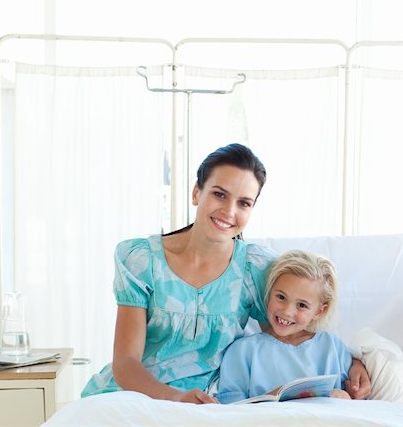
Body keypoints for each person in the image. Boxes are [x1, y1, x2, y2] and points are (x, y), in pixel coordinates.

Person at [81, 143, 370, 404]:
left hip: (213, 403)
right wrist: (175, 398)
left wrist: (353, 364)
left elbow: (292, 330)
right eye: (219, 194)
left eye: (244, 203)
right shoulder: (141, 260)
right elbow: (126, 362)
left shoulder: (255, 268)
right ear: (197, 193)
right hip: (135, 394)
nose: (229, 211)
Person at [217, 250, 353, 404]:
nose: (287, 311)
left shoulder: (332, 346)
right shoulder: (243, 351)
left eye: (301, 305)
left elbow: (356, 397)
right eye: (281, 297)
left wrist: (345, 396)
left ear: (320, 311)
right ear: (269, 293)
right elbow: (229, 405)